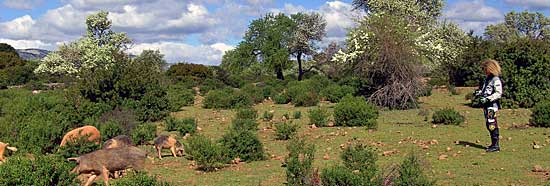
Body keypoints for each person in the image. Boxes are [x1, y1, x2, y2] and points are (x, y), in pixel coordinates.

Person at [475, 59, 503, 152]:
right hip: (486, 105)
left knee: (492, 123)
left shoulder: (496, 79)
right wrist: (479, 93)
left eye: (485, 69)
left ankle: (496, 145)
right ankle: (493, 144)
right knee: (488, 123)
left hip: (492, 105)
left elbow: (498, 93)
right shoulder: (488, 79)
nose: (484, 71)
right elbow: (486, 90)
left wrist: (488, 98)